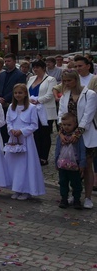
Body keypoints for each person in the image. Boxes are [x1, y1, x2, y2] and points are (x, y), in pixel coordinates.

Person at [57, 70, 97, 209]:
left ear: (76, 80)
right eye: (65, 81)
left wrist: (77, 134)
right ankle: (74, 194)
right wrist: (62, 133)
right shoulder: (65, 96)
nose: (67, 83)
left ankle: (87, 197)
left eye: (69, 80)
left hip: (85, 135)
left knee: (86, 166)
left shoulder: (89, 94)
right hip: (68, 135)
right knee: (70, 165)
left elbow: (88, 116)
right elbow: (61, 114)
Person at [5, 83, 46, 200]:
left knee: (25, 164)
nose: (18, 95)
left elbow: (34, 125)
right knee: (14, 164)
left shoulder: (31, 108)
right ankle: (16, 188)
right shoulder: (11, 107)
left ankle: (26, 190)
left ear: (25, 94)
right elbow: (8, 121)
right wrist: (11, 130)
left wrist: (22, 131)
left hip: (26, 139)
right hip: (13, 138)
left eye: (20, 93)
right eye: (16, 93)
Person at [27, 60, 57, 166]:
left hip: (44, 110)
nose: (35, 69)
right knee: (35, 133)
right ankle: (35, 155)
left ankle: (44, 156)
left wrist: (37, 100)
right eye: (34, 67)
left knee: (44, 134)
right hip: (32, 110)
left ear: (43, 68)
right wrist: (29, 100)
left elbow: (50, 95)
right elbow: (27, 92)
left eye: (38, 67)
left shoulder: (50, 79)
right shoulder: (31, 79)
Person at [55, 112, 87, 209]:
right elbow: (57, 149)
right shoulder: (60, 137)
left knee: (76, 183)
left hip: (74, 164)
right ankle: (64, 199)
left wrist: (82, 163)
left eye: (69, 125)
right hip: (63, 164)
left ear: (75, 124)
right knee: (63, 182)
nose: (66, 127)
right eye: (64, 125)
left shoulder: (78, 137)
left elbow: (82, 150)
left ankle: (76, 199)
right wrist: (56, 161)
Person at [0, 54, 27, 143]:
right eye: (5, 61)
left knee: (9, 126)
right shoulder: (1, 75)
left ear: (14, 62)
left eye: (9, 61)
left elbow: (19, 89)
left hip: (11, 103)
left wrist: (4, 99)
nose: (7, 63)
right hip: (0, 103)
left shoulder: (20, 75)